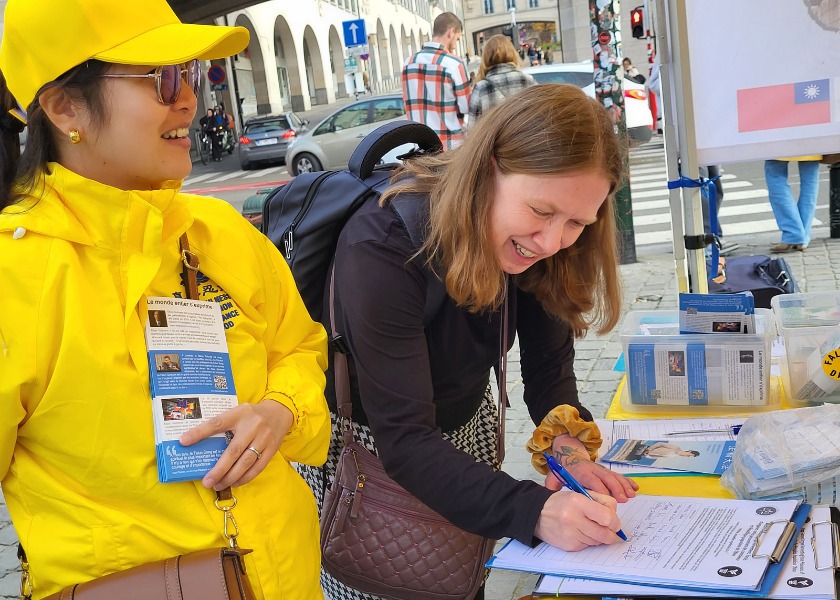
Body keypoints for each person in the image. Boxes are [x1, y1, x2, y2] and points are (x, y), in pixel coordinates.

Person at [0, 1, 330, 598]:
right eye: (162, 78)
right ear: (63, 106)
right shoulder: (15, 277)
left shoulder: (219, 230)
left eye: (192, 76)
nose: (189, 101)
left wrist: (280, 409)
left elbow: (300, 346)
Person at [298, 83, 639, 600]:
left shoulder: (545, 244)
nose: (551, 243)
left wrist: (569, 451)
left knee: (461, 580)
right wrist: (534, 510)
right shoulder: (382, 241)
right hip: (370, 455)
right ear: (489, 167)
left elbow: (549, 369)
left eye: (576, 223)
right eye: (541, 212)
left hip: (463, 432)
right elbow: (407, 442)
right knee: (387, 585)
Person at [402, 12, 471, 149]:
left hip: (422, 146)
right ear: (451, 32)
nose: (455, 45)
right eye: (457, 39)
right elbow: (466, 106)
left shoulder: (408, 63)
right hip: (451, 145)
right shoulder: (454, 64)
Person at [468, 34, 536, 123]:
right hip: (524, 136)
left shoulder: (481, 88)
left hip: (495, 136)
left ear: (486, 57)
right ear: (512, 53)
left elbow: (472, 128)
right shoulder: (528, 81)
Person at [765, 156, 822, 252]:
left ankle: (793, 233)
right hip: (810, 142)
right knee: (810, 179)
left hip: (779, 142)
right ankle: (803, 237)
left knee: (775, 177)